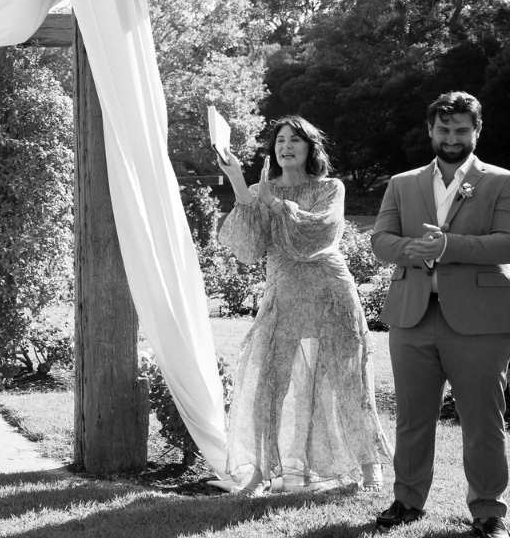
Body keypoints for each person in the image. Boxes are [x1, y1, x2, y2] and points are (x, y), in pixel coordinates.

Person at [210, 115, 390, 495]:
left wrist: (274, 204)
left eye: (295, 140)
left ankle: (370, 470)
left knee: (348, 379)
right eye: (280, 140)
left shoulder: (331, 187)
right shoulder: (264, 188)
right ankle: (260, 473)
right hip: (284, 289)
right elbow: (252, 241)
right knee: (269, 384)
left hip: (329, 288)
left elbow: (320, 231)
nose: (286, 146)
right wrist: (238, 180)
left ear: (310, 148)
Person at [371, 92, 510, 538]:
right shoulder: (403, 182)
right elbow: (379, 240)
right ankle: (408, 501)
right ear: (431, 130)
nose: (452, 138)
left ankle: (489, 510)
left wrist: (448, 247)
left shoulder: (502, 180)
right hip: (412, 315)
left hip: (480, 319)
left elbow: (508, 241)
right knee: (412, 416)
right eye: (444, 129)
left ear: (477, 131)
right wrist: (412, 249)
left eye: (461, 130)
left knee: (482, 419)